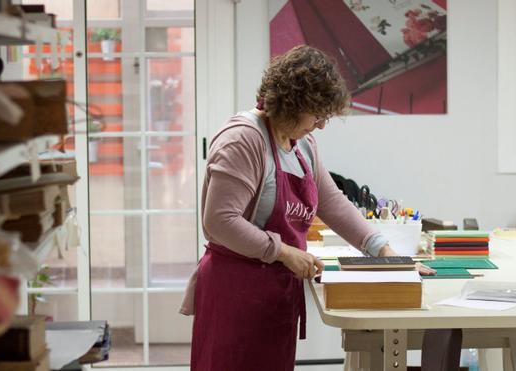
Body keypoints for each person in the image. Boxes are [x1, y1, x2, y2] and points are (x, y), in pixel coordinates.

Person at [180, 45, 446, 371]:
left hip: (275, 293)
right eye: (317, 115)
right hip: (235, 292)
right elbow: (219, 222)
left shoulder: (303, 144)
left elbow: (333, 202)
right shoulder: (243, 140)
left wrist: (387, 254)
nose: (321, 125)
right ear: (293, 104)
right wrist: (284, 252)